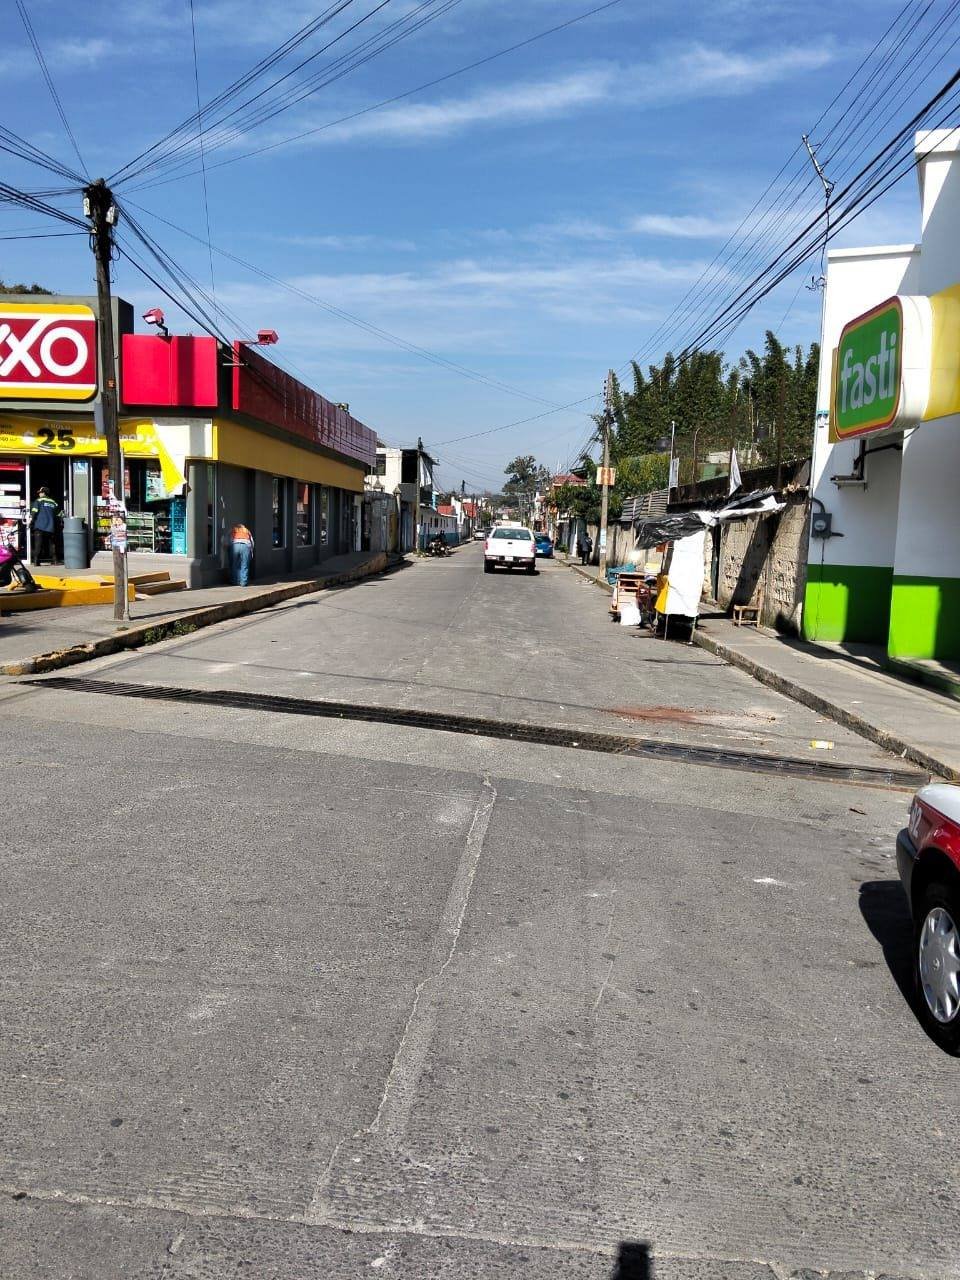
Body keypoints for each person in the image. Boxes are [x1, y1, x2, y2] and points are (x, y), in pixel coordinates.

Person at [29, 486, 61, 565]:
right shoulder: (54, 502)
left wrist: (30, 522)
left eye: (40, 492)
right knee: (52, 544)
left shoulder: (38, 501)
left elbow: (34, 512)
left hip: (40, 526)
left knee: (38, 544)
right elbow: (58, 514)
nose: (39, 494)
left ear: (43, 493)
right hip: (50, 527)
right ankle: (55, 560)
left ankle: (36, 561)